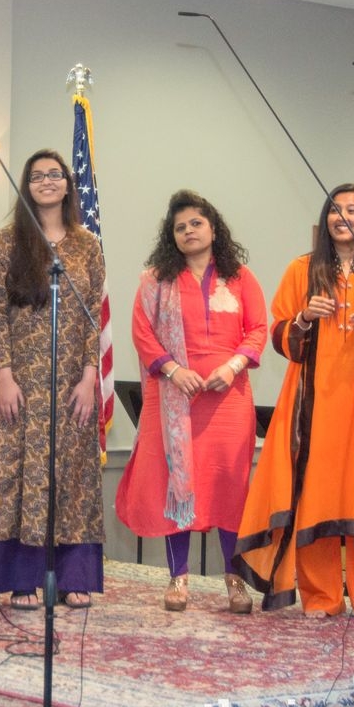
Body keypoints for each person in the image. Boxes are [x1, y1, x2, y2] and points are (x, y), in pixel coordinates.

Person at [235, 184, 354, 618]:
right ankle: (321, 597)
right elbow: (278, 330)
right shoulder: (303, 269)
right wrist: (303, 318)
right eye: (336, 210)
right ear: (326, 218)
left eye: (352, 210)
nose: (343, 217)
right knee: (315, 497)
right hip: (315, 405)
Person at [114, 190, 267, 613]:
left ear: (213, 228)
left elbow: (257, 329)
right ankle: (178, 578)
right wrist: (173, 371)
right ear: (172, 236)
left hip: (228, 401)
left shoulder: (240, 278)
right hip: (175, 399)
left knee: (229, 486)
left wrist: (232, 367)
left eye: (196, 223)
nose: (188, 231)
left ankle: (235, 581)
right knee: (178, 484)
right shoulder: (155, 281)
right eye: (180, 227)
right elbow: (142, 333)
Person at [0, 150, 105, 609]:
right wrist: (3, 376)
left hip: (72, 383)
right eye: (37, 176)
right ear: (26, 186)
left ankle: (73, 577)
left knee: (74, 476)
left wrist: (89, 380)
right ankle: (22, 579)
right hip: (21, 383)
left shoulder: (88, 245)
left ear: (68, 184)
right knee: (19, 476)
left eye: (55, 175)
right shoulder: (9, 242)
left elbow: (92, 320)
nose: (47, 181)